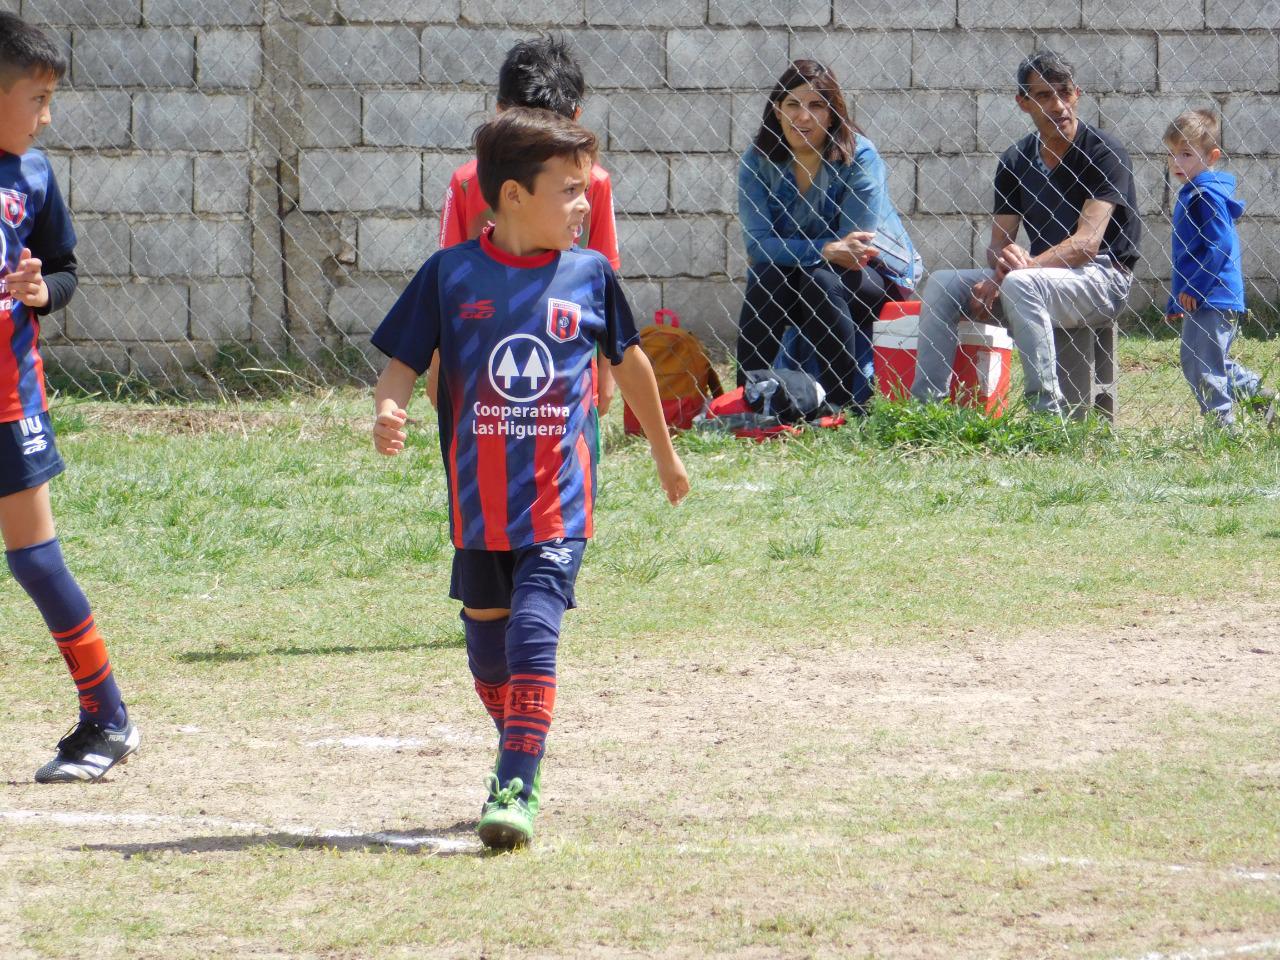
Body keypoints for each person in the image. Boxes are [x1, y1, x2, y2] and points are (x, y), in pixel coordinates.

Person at [371, 107, 689, 849]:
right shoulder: (450, 275)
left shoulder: (591, 276)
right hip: (479, 510)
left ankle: (515, 780)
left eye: (588, 190)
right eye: (571, 191)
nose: (586, 206)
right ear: (513, 196)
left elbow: (631, 363)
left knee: (535, 629)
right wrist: (389, 410)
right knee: (487, 654)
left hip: (557, 501)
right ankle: (523, 733)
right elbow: (401, 364)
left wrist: (664, 453)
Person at [0, 13, 139, 782]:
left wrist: (41, 292)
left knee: (35, 561)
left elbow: (66, 271)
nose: (46, 114)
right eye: (39, 96)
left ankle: (107, 716)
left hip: (8, 398)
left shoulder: (34, 176)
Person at [910, 49, 1141, 415]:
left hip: (1103, 277)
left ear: (1076, 93)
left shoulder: (1103, 152)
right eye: (1044, 95)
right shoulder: (1016, 160)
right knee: (941, 283)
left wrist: (1017, 271)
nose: (1059, 105)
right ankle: (924, 409)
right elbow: (999, 242)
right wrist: (1005, 264)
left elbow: (1086, 243)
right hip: (1037, 277)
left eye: (1064, 92)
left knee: (1021, 284)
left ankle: (1046, 417)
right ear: (1023, 102)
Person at [432, 35, 620, 415]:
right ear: (500, 115)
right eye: (523, 131)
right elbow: (446, 282)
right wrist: (439, 373)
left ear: (575, 120)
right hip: (484, 363)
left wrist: (606, 375)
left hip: (568, 363)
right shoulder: (469, 182)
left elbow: (606, 282)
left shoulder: (593, 184)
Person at [737, 59, 921, 411]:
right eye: (792, 104)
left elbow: (856, 251)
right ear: (777, 111)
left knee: (821, 279)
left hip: (873, 276)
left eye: (816, 105)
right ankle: (749, 398)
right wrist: (823, 248)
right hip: (801, 271)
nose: (802, 117)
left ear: (833, 113)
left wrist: (808, 252)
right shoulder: (757, 161)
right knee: (766, 277)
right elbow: (758, 246)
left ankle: (841, 403)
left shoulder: (860, 156)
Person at [1164, 109, 1275, 432]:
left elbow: (1220, 246)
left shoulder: (1205, 196)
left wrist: (1195, 289)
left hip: (1213, 295)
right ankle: (1264, 400)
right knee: (1200, 361)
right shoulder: (1193, 193)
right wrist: (1177, 300)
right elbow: (1190, 254)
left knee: (1203, 364)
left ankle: (1222, 428)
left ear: (1211, 156)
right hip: (1202, 295)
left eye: (1186, 154)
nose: (1176, 162)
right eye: (1171, 154)